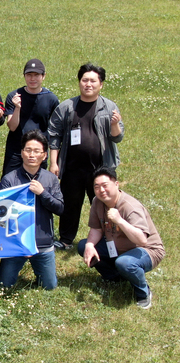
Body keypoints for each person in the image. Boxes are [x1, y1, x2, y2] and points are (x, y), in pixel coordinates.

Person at [48, 63, 124, 250]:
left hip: (100, 169)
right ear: (79, 82)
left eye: (93, 81)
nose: (88, 84)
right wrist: (53, 162)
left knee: (104, 204)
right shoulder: (67, 107)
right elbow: (54, 134)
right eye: (85, 80)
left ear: (101, 84)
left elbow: (118, 136)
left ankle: (109, 240)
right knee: (70, 205)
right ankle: (65, 240)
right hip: (72, 167)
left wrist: (115, 124)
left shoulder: (109, 107)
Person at [78, 167, 164, 309]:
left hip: (146, 250)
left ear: (116, 184)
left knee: (125, 263)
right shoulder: (97, 202)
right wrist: (89, 246)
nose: (101, 190)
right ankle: (115, 277)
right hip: (117, 246)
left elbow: (142, 240)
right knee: (84, 246)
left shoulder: (131, 207)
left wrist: (120, 221)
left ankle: (143, 293)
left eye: (105, 186)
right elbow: (96, 229)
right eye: (97, 187)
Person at [0, 131, 64, 290]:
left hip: (43, 243)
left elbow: (60, 208)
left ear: (44, 156)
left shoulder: (50, 179)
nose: (31, 155)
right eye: (28, 150)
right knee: (4, 285)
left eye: (36, 151)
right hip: (15, 242)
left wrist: (43, 193)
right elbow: (0, 213)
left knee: (50, 287)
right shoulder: (10, 179)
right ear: (22, 153)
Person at [2, 59, 59, 177]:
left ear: (43, 76)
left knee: (36, 186)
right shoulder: (14, 96)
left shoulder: (51, 99)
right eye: (29, 75)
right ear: (24, 76)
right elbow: (12, 127)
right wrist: (17, 107)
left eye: (36, 75)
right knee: (10, 185)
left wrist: (53, 160)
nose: (32, 79)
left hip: (38, 151)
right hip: (16, 150)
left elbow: (55, 130)